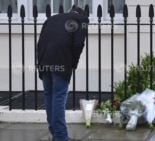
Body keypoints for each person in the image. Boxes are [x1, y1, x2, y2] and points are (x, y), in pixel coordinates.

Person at [37, 6, 88, 141]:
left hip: (44, 61)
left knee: (49, 96)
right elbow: (78, 44)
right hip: (60, 61)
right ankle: (61, 136)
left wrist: (40, 62)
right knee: (59, 97)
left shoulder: (52, 19)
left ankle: (55, 132)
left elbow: (40, 41)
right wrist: (73, 64)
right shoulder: (81, 20)